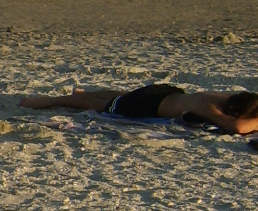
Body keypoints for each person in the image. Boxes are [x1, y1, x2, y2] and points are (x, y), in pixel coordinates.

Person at [21, 84, 258, 134]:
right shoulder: (208, 106)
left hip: (165, 93)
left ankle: (81, 93)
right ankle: (48, 101)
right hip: (150, 106)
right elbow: (236, 126)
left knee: (119, 96)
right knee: (101, 105)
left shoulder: (228, 97)